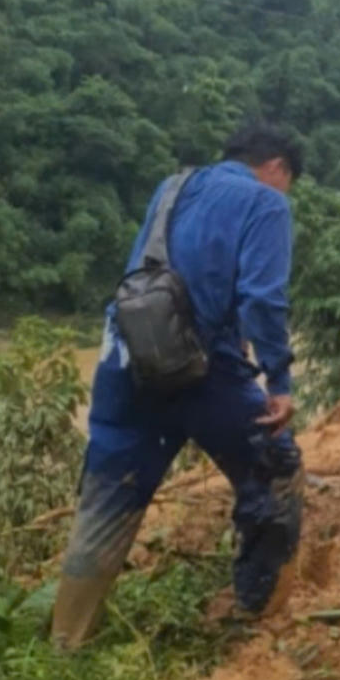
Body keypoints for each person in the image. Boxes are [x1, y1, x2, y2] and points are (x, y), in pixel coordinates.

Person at [52, 122, 305, 649]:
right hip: (200, 370)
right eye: (289, 182)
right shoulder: (266, 203)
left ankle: (66, 645)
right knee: (277, 465)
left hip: (125, 359)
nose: (285, 193)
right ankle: (262, 617)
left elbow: (160, 274)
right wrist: (279, 382)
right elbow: (263, 299)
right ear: (277, 167)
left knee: (106, 501)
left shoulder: (171, 188)